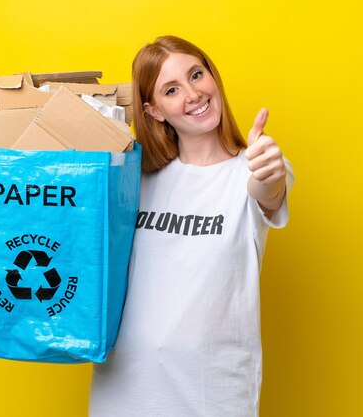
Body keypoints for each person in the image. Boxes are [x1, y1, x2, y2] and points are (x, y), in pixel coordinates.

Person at [89, 35, 294, 417]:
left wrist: (269, 170)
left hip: (211, 395)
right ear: (154, 111)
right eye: (172, 89)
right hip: (125, 390)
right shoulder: (132, 181)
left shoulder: (248, 170)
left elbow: (267, 191)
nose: (193, 94)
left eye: (197, 75)